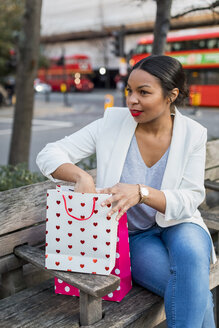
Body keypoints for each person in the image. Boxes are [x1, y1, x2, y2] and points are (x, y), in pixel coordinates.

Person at [37, 55, 217, 328]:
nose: (132, 100)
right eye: (129, 91)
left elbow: (191, 198)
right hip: (131, 236)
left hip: (179, 223)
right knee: (196, 294)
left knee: (192, 255)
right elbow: (50, 153)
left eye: (143, 92)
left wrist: (141, 192)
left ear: (171, 95)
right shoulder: (112, 124)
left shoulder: (193, 133)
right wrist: (80, 176)